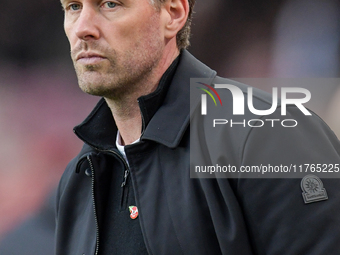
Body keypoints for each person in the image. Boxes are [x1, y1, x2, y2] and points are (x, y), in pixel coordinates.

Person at [55, 0, 340, 254]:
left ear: (173, 13)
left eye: (110, 5)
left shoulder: (269, 132)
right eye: (74, 7)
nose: (83, 28)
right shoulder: (80, 176)